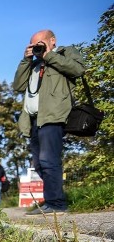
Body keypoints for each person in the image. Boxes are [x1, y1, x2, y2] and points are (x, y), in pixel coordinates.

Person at [12, 29, 85, 215]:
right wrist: (26, 60)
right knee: (38, 163)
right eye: (33, 45)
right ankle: (51, 200)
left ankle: (57, 204)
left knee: (48, 160)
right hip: (34, 119)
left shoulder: (65, 53)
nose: (37, 48)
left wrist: (49, 55)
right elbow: (18, 86)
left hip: (53, 116)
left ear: (52, 41)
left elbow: (78, 70)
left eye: (40, 43)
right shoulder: (34, 64)